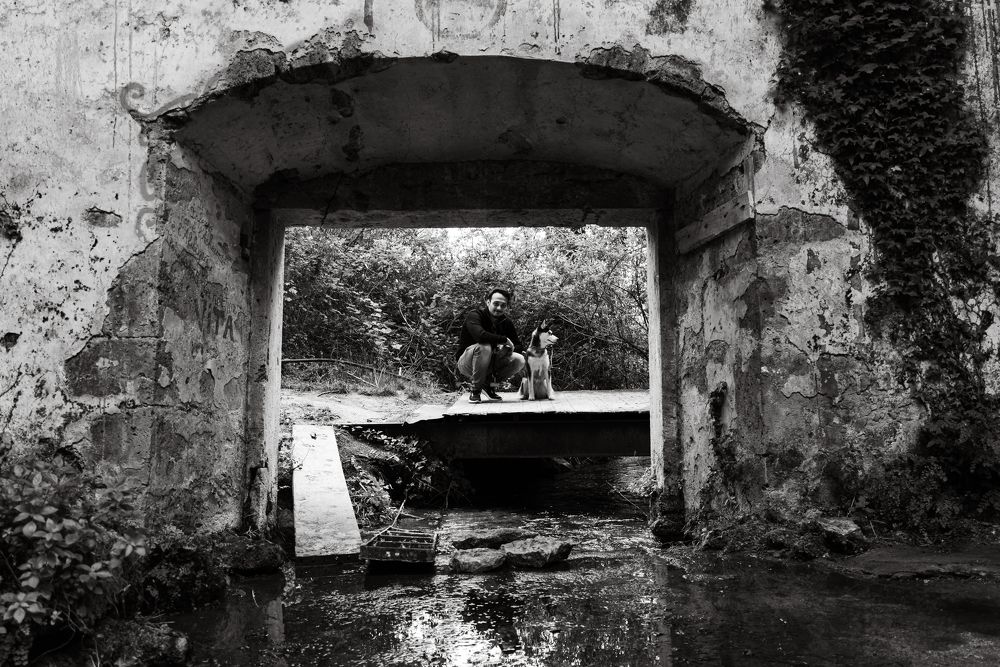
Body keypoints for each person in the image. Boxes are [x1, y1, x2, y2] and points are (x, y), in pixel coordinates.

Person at [455, 288, 526, 403]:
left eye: (503, 305)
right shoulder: (475, 315)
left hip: (492, 363)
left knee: (519, 359)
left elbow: (518, 345)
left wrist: (506, 349)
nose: (499, 308)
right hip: (467, 362)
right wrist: (503, 340)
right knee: (484, 347)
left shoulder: (506, 322)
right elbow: (480, 336)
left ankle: (489, 385)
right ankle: (476, 390)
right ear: (488, 302)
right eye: (496, 304)